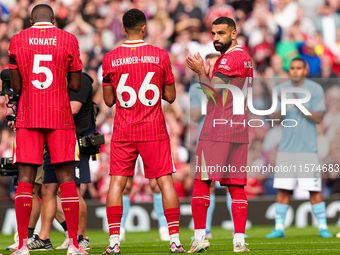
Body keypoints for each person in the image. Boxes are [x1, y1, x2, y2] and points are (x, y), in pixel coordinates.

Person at [101, 8, 186, 254]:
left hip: (124, 129)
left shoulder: (111, 58)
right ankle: (174, 240)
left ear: (123, 29)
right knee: (165, 182)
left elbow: (108, 101)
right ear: (144, 28)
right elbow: (170, 96)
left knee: (117, 183)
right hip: (154, 128)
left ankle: (114, 242)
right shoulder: (160, 55)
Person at [8, 4, 87, 255]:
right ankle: (73, 245)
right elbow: (76, 84)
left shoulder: (17, 40)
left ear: (31, 20)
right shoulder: (68, 39)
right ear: (53, 19)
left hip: (29, 115)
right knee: (66, 182)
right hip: (60, 116)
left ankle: (22, 246)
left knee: (24, 182)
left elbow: (17, 87)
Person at [186, 16, 253, 252]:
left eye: (221, 34)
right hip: (239, 128)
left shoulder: (228, 60)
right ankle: (239, 241)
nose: (215, 38)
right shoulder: (246, 59)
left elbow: (211, 94)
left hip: (217, 128)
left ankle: (200, 237)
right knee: (236, 187)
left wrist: (199, 72)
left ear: (234, 34)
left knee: (202, 182)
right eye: (213, 34)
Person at [266, 58, 333, 239]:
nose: (295, 71)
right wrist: (285, 103)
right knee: (283, 189)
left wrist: (297, 103)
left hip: (308, 150)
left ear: (305, 70)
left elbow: (318, 117)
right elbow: (275, 117)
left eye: (299, 68)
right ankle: (279, 228)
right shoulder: (280, 89)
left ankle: (323, 227)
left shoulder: (315, 89)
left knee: (314, 190)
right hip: (286, 150)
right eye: (292, 68)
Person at [27, 73, 95, 251]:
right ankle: (44, 238)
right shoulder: (57, 79)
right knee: (47, 189)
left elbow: (73, 108)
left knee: (74, 190)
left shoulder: (82, 79)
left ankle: (81, 237)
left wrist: (42, 109)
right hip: (53, 138)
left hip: (75, 140)